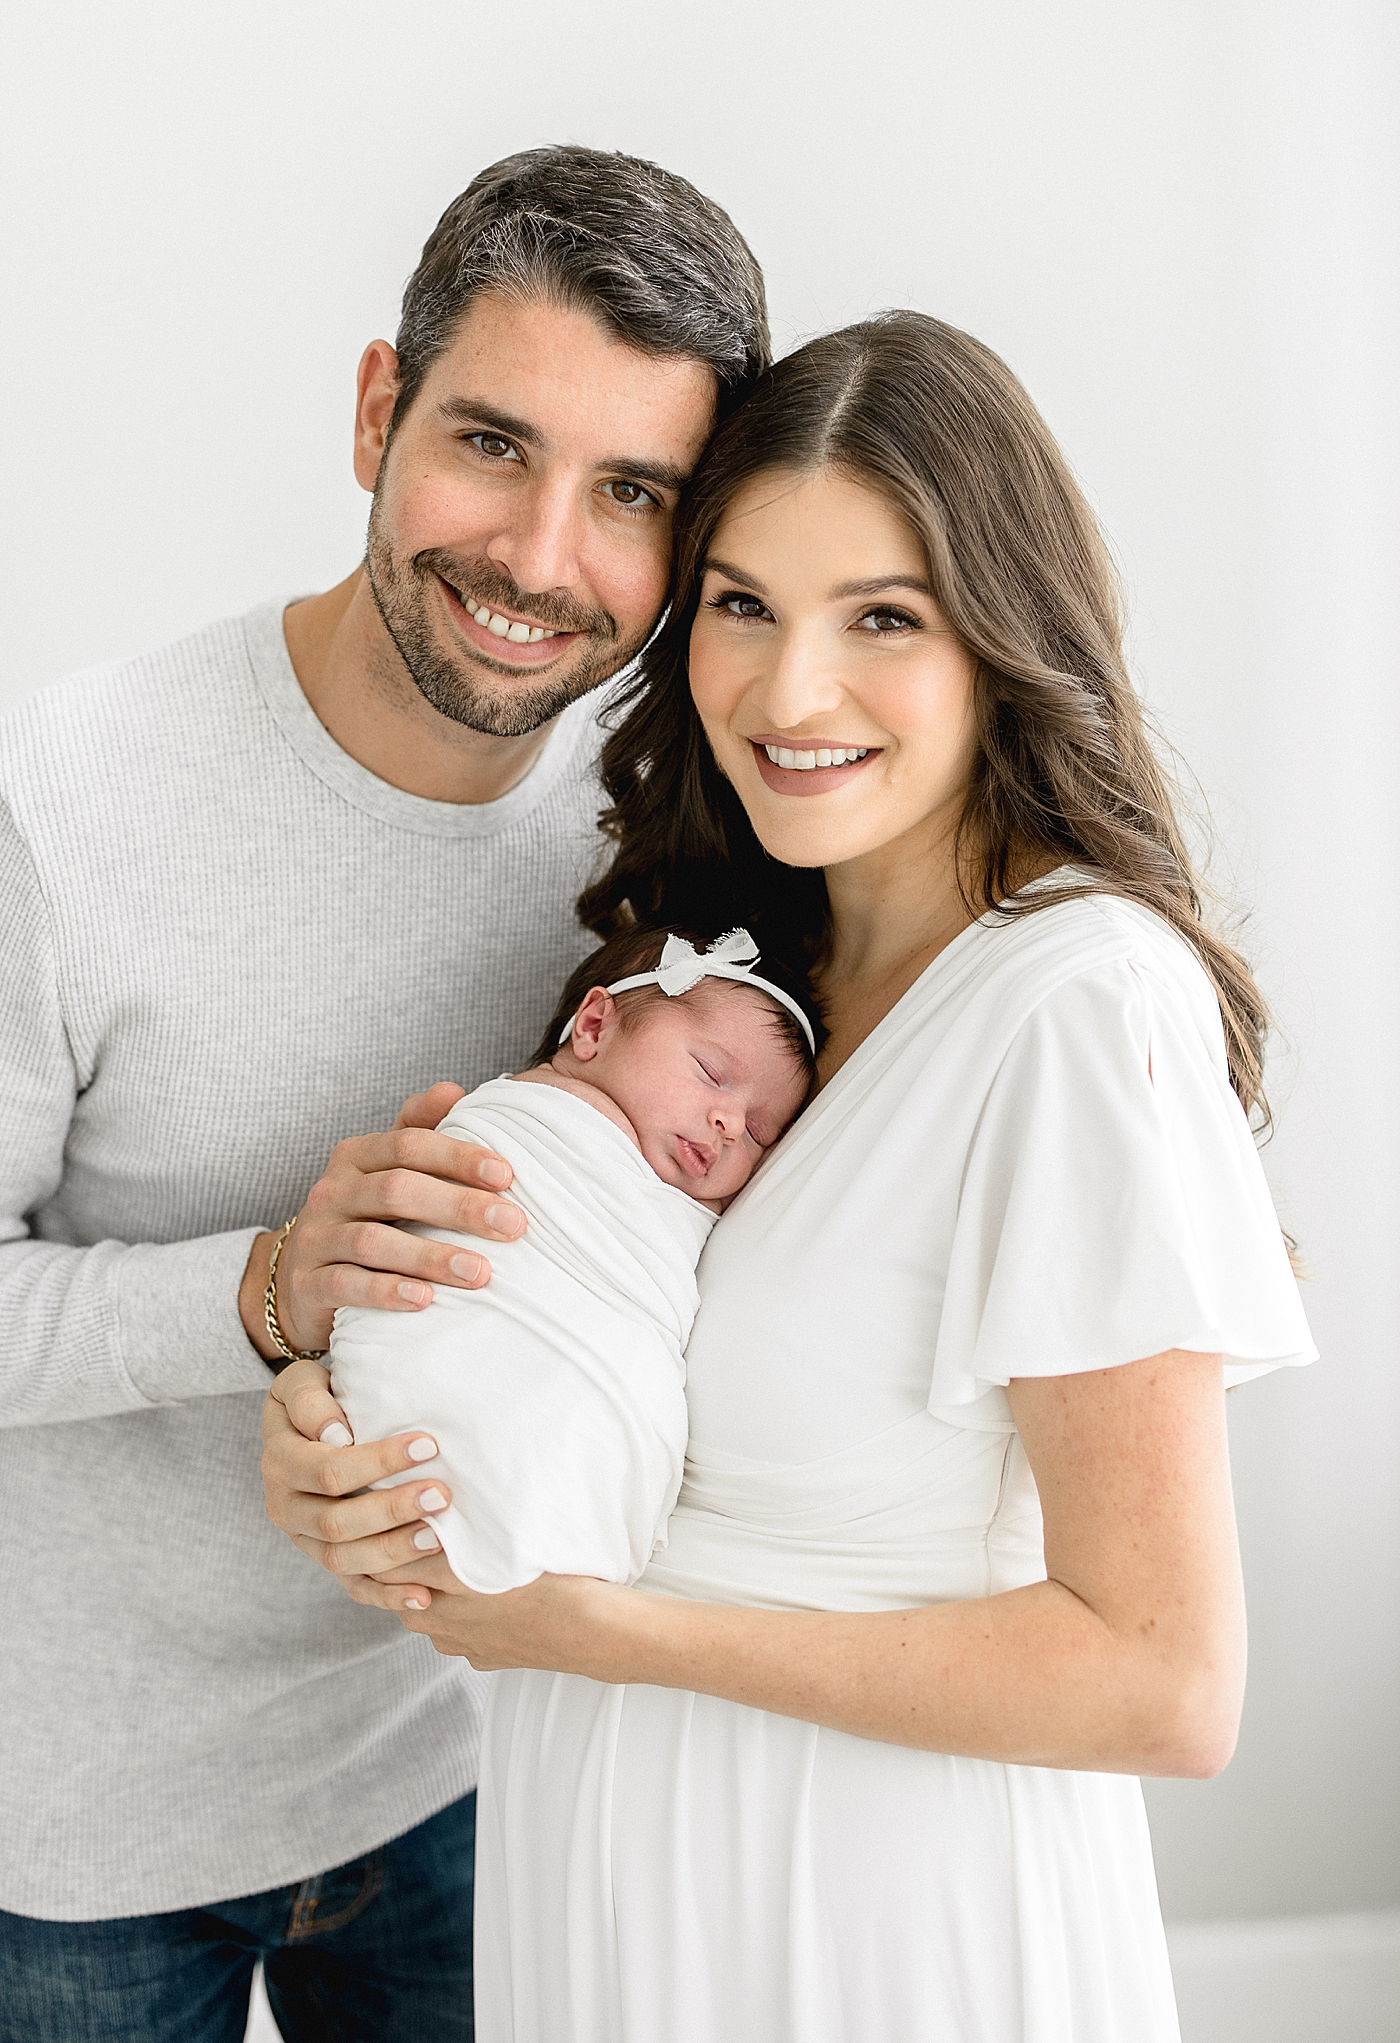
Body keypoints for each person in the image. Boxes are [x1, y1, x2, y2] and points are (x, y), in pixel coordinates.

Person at [264, 311, 1317, 2041]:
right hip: (624, 1897)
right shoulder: (742, 998)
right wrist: (341, 1431)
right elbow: (599, 1370)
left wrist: (610, 1637)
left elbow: (1165, 1683)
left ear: (1003, 639)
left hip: (868, 1925)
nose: (789, 691)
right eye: (743, 605)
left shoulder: (1072, 999)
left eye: (881, 618)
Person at [0, 146, 768, 2043]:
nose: (537, 559)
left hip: (467, 1753)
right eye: (492, 446)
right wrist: (267, 1292)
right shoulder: (61, 806)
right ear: (375, 410)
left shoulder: (673, 827)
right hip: (79, 1822)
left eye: (631, 496)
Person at [328, 924, 815, 1594]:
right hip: (445, 1333)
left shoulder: (685, 1213)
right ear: (592, 1027)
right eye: (711, 1074)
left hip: (579, 1420)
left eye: (761, 1131)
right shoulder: (523, 1118)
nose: (732, 1123)